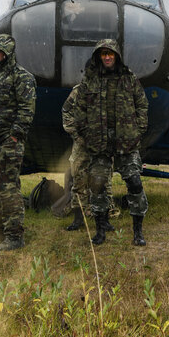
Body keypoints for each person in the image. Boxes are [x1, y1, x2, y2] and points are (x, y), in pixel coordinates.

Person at [64, 39, 149, 246]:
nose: (107, 57)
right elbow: (78, 110)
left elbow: (142, 106)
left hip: (126, 142)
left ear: (117, 56)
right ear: (98, 57)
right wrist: (86, 134)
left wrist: (137, 131)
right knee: (97, 186)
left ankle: (138, 232)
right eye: (103, 54)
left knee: (135, 184)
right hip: (99, 144)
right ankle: (100, 231)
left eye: (110, 53)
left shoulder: (129, 80)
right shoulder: (89, 82)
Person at [0, 34, 36, 251]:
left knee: (8, 188)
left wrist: (15, 135)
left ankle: (14, 236)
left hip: (7, 141)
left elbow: (27, 109)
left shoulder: (21, 77)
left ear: (8, 51)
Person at [62, 89, 115, 232]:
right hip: (82, 144)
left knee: (104, 182)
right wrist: (77, 135)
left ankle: (105, 219)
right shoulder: (77, 92)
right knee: (79, 180)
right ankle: (78, 219)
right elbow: (66, 112)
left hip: (102, 145)